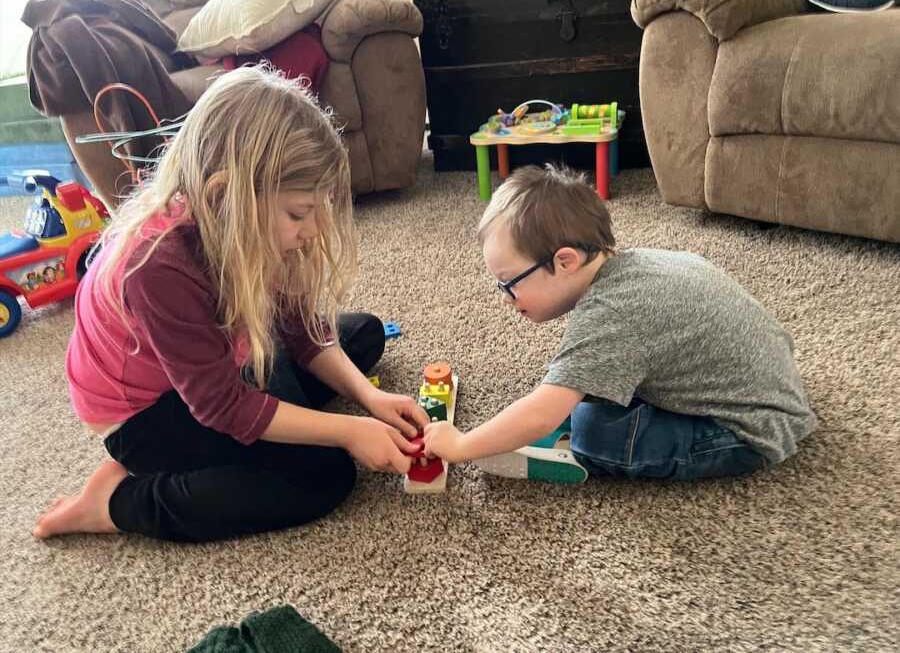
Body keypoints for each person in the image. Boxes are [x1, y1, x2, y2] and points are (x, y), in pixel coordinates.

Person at [33, 65, 428, 543]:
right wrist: (347, 431)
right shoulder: (157, 265)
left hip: (216, 357)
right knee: (322, 476)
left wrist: (369, 398)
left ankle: (295, 416)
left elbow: (300, 326)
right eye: (299, 213)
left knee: (361, 334)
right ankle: (116, 505)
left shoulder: (240, 227)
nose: (314, 230)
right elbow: (223, 407)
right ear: (228, 196)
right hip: (148, 414)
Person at [424, 164, 816, 482]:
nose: (505, 298)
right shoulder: (637, 263)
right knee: (595, 387)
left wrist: (462, 445)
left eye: (508, 284)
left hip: (748, 431)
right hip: (766, 380)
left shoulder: (611, 317)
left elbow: (544, 412)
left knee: (594, 430)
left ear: (565, 261)